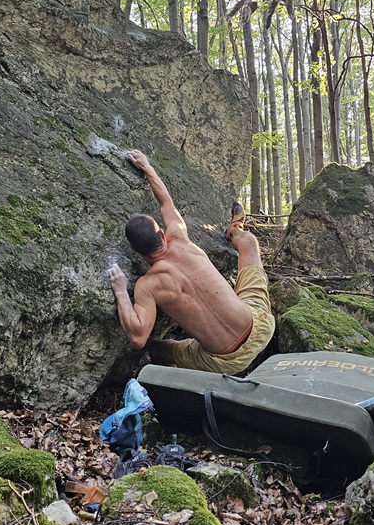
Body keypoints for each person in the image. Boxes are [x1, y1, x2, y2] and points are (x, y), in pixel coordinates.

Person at [108, 150, 275, 374]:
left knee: (155, 350)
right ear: (162, 234)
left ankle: (174, 387)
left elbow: (138, 337)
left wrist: (120, 290)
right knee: (249, 243)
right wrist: (147, 168)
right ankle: (236, 230)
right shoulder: (180, 239)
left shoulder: (147, 286)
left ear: (134, 251)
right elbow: (166, 203)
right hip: (260, 325)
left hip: (225, 361)